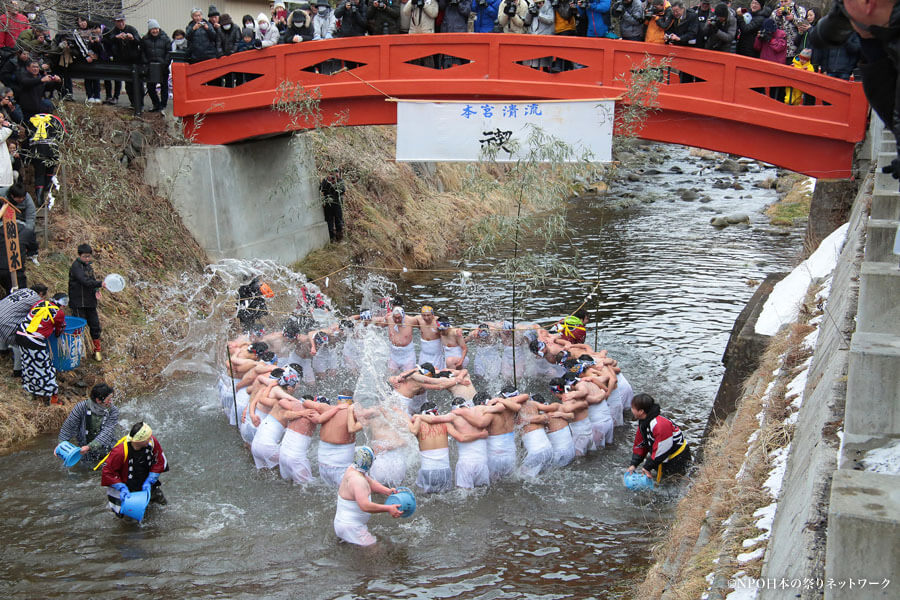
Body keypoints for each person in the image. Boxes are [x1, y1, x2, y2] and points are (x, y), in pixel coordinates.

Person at [333, 446, 402, 546]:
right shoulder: (358, 481)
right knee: (376, 551)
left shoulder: (353, 469)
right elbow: (365, 506)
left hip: (343, 524)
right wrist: (388, 508)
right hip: (352, 528)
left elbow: (370, 482)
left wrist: (387, 491)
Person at [100, 421, 169, 516]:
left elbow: (159, 461)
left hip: (147, 483)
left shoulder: (152, 442)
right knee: (128, 519)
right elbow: (107, 472)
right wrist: (121, 487)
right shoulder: (120, 452)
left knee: (162, 507)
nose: (150, 439)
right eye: (147, 438)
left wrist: (151, 479)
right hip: (127, 489)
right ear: (139, 441)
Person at [14, 289, 64, 405]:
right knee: (46, 368)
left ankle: (29, 390)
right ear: (62, 304)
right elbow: (59, 329)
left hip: (20, 334)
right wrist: (56, 335)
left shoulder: (40, 303)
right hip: (34, 340)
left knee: (27, 364)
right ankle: (51, 396)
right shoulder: (58, 313)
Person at [627, 393, 691, 482]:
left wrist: (647, 467)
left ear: (641, 411)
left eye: (633, 408)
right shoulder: (644, 422)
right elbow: (640, 444)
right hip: (665, 454)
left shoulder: (660, 424)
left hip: (677, 456)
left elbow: (662, 449)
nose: (631, 410)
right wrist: (634, 464)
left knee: (674, 483)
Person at [58, 383, 119, 464]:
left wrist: (89, 447)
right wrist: (61, 447)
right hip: (85, 450)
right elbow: (68, 427)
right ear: (98, 400)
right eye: (109, 399)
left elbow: (107, 432)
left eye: (111, 399)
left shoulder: (113, 411)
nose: (111, 402)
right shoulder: (81, 407)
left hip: (107, 449)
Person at [68, 243, 105, 361]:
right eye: (85, 256)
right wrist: (100, 283)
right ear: (79, 255)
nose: (87, 259)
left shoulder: (89, 266)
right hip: (78, 302)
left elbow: (91, 280)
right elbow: (84, 281)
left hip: (90, 301)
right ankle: (79, 351)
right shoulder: (76, 267)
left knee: (95, 325)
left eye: (89, 256)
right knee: (79, 327)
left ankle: (97, 350)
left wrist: (96, 289)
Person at [409, 402, 455, 493]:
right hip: (445, 471)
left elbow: (412, 430)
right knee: (445, 496)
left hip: (427, 470)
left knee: (425, 497)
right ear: (437, 413)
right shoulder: (445, 423)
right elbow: (460, 437)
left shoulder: (418, 425)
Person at [0, 283, 43, 377]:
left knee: (3, 329)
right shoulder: (37, 299)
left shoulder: (22, 290)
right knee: (19, 342)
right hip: (6, 321)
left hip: (2, 311)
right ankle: (17, 371)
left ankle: (3, 350)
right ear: (40, 293)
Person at [141, 20, 170, 113]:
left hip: (162, 66)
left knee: (164, 86)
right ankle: (156, 104)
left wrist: (165, 63)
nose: (155, 31)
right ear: (149, 30)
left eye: (156, 28)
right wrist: (145, 62)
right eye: (153, 29)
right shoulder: (145, 39)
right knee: (150, 87)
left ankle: (163, 105)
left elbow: (169, 52)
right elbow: (142, 52)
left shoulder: (165, 38)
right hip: (150, 66)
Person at [320, 170, 344, 242]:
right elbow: (321, 189)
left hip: (337, 204)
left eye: (336, 174)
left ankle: (339, 239)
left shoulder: (340, 180)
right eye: (332, 174)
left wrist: (336, 182)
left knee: (339, 221)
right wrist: (328, 181)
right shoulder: (326, 180)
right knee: (329, 221)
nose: (334, 176)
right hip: (328, 204)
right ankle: (331, 238)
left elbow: (342, 191)